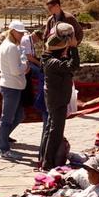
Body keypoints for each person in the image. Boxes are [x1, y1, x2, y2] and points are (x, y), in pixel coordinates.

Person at [39, 23, 80, 170]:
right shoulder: (53, 62)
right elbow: (73, 65)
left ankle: (44, 159)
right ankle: (48, 163)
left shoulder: (49, 59)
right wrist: (74, 48)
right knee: (55, 131)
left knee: (50, 128)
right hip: (57, 100)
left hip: (54, 98)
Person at [0, 21, 29, 160]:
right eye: (19, 32)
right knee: (7, 119)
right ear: (13, 31)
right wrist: (25, 66)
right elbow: (16, 70)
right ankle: (3, 149)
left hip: (11, 85)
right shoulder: (12, 47)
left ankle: (1, 142)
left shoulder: (6, 45)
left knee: (18, 116)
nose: (21, 35)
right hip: (11, 86)